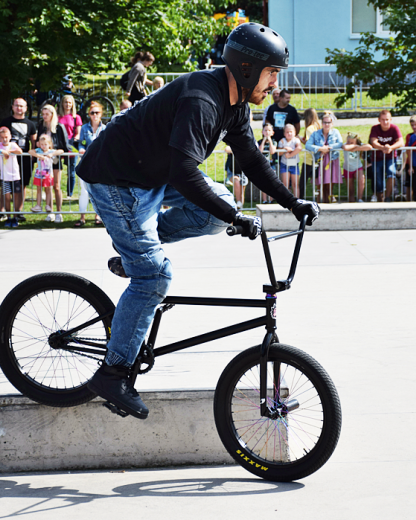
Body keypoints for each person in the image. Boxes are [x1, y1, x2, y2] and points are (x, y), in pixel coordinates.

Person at [75, 22, 319, 420]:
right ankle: (113, 373)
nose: (275, 85)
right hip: (116, 179)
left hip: (152, 175)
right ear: (246, 69)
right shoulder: (202, 100)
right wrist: (235, 218)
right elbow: (184, 173)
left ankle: (136, 254)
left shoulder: (235, 102)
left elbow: (252, 161)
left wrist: (293, 203)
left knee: (216, 205)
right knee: (154, 277)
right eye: (271, 74)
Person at [0, 98, 37, 217]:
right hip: (8, 158)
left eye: (21, 106)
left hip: (24, 158)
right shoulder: (5, 122)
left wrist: (33, 157)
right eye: (16, 105)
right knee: (5, 184)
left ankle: (18, 211)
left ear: (26, 108)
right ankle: (2, 211)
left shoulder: (31, 124)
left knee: (22, 184)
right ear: (12, 107)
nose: (19, 108)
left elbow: (33, 142)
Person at [36, 104, 70, 222]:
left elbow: (64, 145)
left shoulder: (59, 127)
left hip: (55, 160)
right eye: (43, 114)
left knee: (56, 186)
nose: (44, 116)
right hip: (44, 161)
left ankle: (58, 212)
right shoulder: (41, 126)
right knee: (47, 186)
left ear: (52, 114)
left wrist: (53, 153)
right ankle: (49, 211)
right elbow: (37, 142)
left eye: (47, 114)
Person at [75, 101, 106, 227]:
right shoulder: (84, 128)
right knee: (84, 190)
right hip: (86, 162)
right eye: (92, 113)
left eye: (97, 113)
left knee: (98, 190)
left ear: (101, 114)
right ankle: (82, 217)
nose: (94, 115)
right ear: (89, 114)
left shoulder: (105, 128)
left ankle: (98, 215)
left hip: (99, 163)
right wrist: (81, 148)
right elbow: (81, 142)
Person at [0, 127, 23, 228]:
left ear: (10, 136)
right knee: (6, 197)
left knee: (15, 197)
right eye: (2, 137)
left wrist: (9, 151)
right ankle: (9, 217)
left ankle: (15, 217)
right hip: (5, 177)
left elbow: (19, 151)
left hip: (15, 176)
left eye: (6, 137)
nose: (4, 139)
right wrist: (2, 150)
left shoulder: (13, 145)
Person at [306, 112, 343, 204]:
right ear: (321, 123)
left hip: (332, 160)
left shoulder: (336, 132)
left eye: (328, 122)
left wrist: (329, 147)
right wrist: (320, 148)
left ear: (332, 123)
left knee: (330, 184)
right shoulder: (315, 134)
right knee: (320, 184)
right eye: (325, 122)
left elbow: (340, 143)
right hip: (320, 161)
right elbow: (308, 145)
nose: (326, 124)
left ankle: (329, 201)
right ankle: (320, 204)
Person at [368, 110, 403, 202]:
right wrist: (382, 147)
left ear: (391, 119)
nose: (385, 122)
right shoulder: (375, 128)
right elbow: (373, 141)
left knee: (391, 173)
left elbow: (401, 142)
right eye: (383, 120)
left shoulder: (395, 128)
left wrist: (391, 148)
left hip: (391, 157)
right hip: (377, 157)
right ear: (379, 120)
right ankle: (380, 198)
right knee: (378, 178)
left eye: (387, 119)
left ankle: (387, 197)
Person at [29, 134, 62, 215]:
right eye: (42, 144)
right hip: (39, 174)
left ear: (49, 144)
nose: (43, 146)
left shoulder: (50, 151)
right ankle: (38, 205)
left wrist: (51, 154)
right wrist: (38, 155)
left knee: (48, 190)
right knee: (39, 189)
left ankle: (48, 205)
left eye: (45, 144)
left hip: (48, 174)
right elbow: (30, 151)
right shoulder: (39, 150)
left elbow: (61, 151)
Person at [58, 94, 82, 198]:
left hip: (71, 145)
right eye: (65, 102)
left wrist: (74, 138)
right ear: (62, 103)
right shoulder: (58, 116)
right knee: (57, 169)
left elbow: (78, 133)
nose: (67, 104)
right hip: (59, 145)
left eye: (69, 102)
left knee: (71, 171)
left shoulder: (76, 117)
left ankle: (69, 194)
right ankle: (56, 191)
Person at [342, 133, 371, 202]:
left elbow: (369, 147)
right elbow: (346, 148)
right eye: (348, 141)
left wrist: (357, 148)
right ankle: (351, 201)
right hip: (347, 168)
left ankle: (360, 198)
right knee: (350, 189)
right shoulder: (344, 144)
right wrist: (353, 146)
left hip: (357, 167)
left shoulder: (358, 145)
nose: (349, 143)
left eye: (351, 142)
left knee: (361, 180)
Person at [299, 108, 321, 200]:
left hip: (309, 158)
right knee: (318, 179)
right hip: (318, 157)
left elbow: (309, 144)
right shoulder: (318, 126)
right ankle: (320, 197)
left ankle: (301, 199)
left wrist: (301, 140)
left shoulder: (309, 128)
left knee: (303, 181)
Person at [278, 124, 302, 196]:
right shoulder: (282, 141)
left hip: (294, 164)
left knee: (295, 184)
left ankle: (297, 201)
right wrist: (285, 149)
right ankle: (286, 200)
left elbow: (299, 148)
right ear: (284, 133)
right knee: (285, 184)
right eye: (287, 132)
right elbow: (279, 153)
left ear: (294, 133)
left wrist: (290, 154)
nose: (289, 134)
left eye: (291, 132)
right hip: (284, 164)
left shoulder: (296, 140)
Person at [258, 123, 278, 203]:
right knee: (263, 182)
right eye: (265, 130)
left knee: (271, 182)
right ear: (262, 132)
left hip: (271, 165)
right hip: (262, 165)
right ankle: (264, 200)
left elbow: (272, 151)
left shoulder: (274, 142)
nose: (267, 132)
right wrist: (264, 140)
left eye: (269, 130)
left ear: (272, 132)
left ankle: (271, 199)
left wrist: (269, 140)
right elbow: (260, 151)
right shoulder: (259, 141)